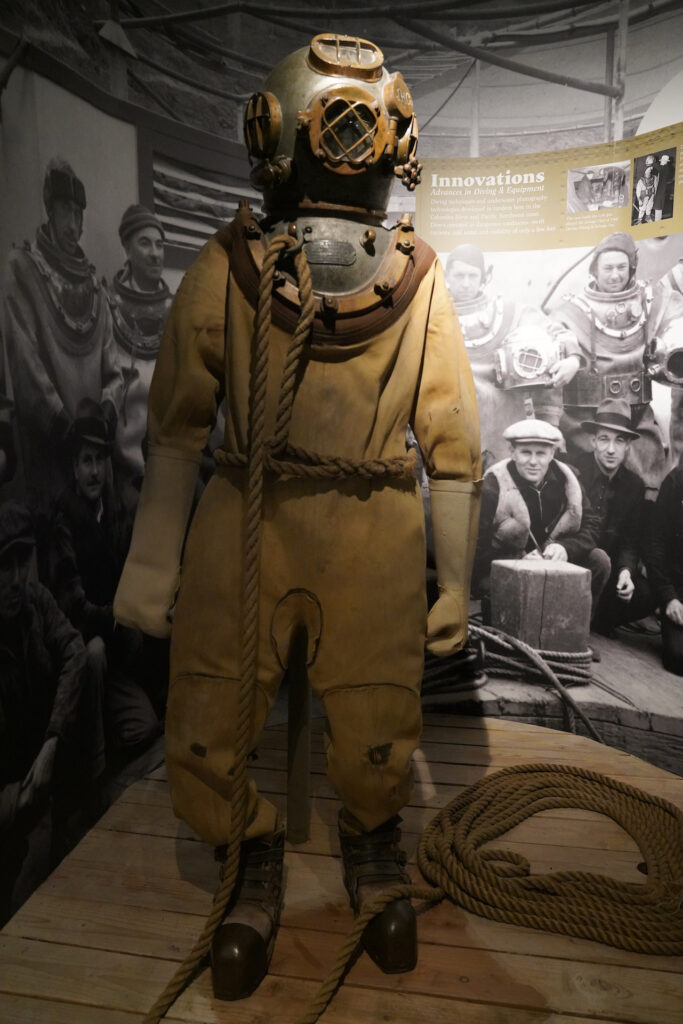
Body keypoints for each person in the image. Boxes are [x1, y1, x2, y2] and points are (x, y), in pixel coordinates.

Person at [115, 34, 481, 1002]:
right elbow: (179, 428)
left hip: (364, 528)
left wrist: (453, 582)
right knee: (211, 713)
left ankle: (370, 846)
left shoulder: (413, 282)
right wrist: (155, 570)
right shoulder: (226, 272)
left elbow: (450, 442)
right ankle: (253, 855)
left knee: (373, 720)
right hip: (254, 516)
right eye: (343, 125)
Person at [1, 158, 122, 508]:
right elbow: (26, 369)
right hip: (50, 463)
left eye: (78, 215)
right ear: (49, 212)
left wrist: (105, 420)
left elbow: (113, 371)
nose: (74, 226)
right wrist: (68, 434)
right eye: (65, 212)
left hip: (97, 463)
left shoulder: (96, 289)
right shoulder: (22, 270)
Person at [52, 400, 162, 754]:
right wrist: (116, 617)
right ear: (74, 466)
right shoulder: (63, 519)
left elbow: (136, 568)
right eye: (87, 461)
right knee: (95, 653)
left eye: (100, 460)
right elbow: (71, 604)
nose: (95, 472)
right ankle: (90, 761)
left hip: (116, 647)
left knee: (145, 728)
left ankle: (118, 733)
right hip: (80, 651)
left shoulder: (114, 511)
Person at [0, 500, 87, 924]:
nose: (16, 579)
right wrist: (17, 797)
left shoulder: (34, 601)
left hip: (38, 788)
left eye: (23, 561)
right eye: (4, 566)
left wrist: (53, 740)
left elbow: (75, 651)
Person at [550, 231, 683, 497]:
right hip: (585, 420)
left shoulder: (651, 300)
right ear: (594, 271)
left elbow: (675, 318)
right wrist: (573, 358)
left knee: (647, 480)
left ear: (632, 268)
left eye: (622, 267)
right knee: (584, 486)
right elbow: (556, 330)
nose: (614, 275)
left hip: (637, 415)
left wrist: (671, 346)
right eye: (607, 268)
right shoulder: (573, 309)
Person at [445, 244, 579, 469]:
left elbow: (556, 333)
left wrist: (573, 359)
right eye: (459, 275)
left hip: (504, 429)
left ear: (484, 277)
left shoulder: (508, 313)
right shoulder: (430, 316)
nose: (466, 283)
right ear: (447, 276)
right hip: (451, 429)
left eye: (472, 275)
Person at [472, 419, 609, 619]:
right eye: (526, 452)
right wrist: (517, 561)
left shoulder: (568, 480)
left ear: (552, 454)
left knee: (599, 560)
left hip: (552, 561)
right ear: (512, 452)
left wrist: (565, 548)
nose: (534, 462)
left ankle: (574, 630)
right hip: (505, 566)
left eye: (541, 453)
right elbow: (474, 548)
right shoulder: (493, 486)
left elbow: (592, 527)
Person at [569, 398, 654, 635]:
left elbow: (630, 540)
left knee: (645, 594)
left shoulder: (634, 485)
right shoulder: (575, 471)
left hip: (609, 572)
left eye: (620, 441)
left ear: (628, 446)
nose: (611, 449)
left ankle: (596, 620)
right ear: (593, 440)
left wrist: (626, 571)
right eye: (604, 439)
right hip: (574, 561)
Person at [107, 205, 173, 489]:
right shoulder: (108, 307)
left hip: (170, 459)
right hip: (123, 468)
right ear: (126, 249)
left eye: (159, 244)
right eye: (144, 243)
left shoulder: (177, 310)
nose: (155, 253)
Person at [645, 461, 683, 675]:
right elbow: (654, 543)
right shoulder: (676, 480)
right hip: (677, 590)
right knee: (678, 659)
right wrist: (669, 597)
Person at [653, 153, 674, 222]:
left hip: (661, 190)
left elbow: (659, 167)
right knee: (658, 206)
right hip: (660, 189)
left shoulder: (665, 168)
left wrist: (653, 161)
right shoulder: (664, 167)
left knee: (658, 206)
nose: (661, 162)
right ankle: (658, 220)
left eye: (661, 161)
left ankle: (657, 221)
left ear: (664, 161)